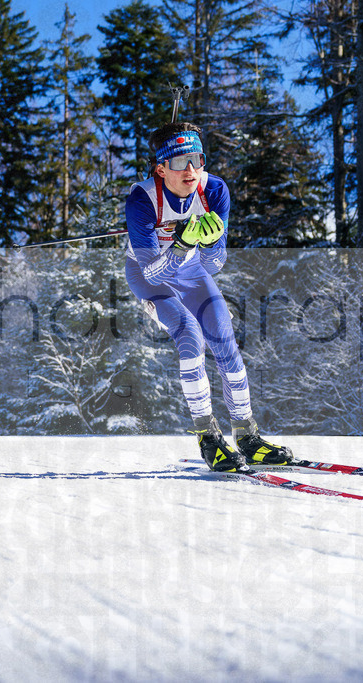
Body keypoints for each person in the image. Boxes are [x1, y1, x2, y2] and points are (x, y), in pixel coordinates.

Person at [124, 122, 292, 472]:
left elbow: (214, 264)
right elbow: (154, 271)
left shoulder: (213, 189)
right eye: (179, 162)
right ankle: (209, 438)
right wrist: (183, 243)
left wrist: (213, 241)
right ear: (160, 168)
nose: (190, 170)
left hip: (192, 272)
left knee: (224, 339)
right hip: (150, 277)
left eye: (197, 159)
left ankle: (247, 436)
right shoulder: (142, 199)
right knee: (190, 334)